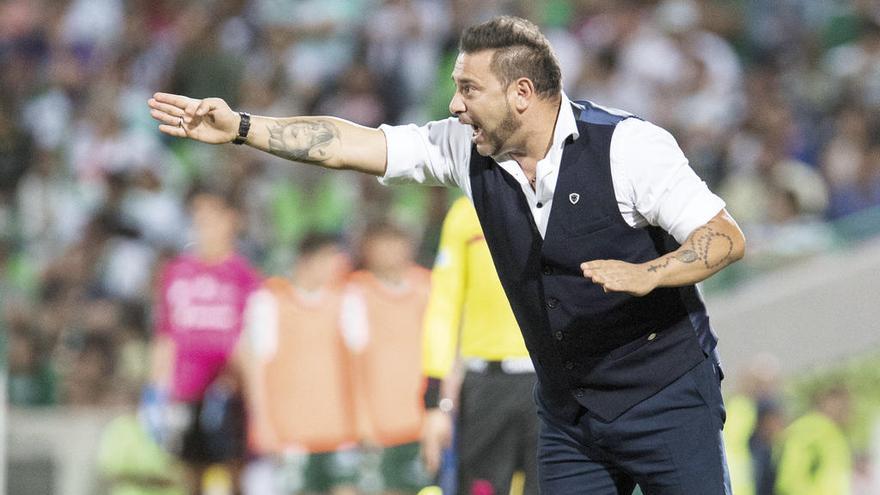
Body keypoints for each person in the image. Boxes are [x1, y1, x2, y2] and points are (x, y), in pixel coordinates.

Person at [147, 15, 746, 494]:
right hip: (569, 417)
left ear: (521, 93)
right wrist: (244, 127)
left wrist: (650, 273)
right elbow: (353, 144)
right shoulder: (466, 149)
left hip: (665, 397)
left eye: (468, 89)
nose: (454, 105)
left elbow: (723, 235)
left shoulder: (629, 147)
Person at [420, 196, 538, 495]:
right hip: (486, 384)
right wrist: (435, 402)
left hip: (549, 380)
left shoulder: (560, 198)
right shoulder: (466, 212)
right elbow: (443, 305)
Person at [149, 184, 261, 495]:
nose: (202, 224)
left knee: (234, 474)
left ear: (231, 219)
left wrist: (248, 393)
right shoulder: (176, 272)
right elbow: (165, 334)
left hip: (228, 395)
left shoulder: (244, 275)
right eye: (197, 216)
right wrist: (155, 391)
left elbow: (251, 340)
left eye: (210, 216)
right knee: (189, 475)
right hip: (185, 393)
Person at [235, 232, 360, 495]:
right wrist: (263, 423)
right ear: (306, 261)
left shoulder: (346, 300)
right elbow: (254, 365)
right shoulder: (270, 302)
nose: (335, 268)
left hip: (340, 428)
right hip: (291, 432)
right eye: (327, 260)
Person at [340, 222, 432, 494]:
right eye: (382, 245)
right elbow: (351, 361)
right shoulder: (356, 292)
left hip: (424, 417)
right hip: (379, 422)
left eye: (396, 243)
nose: (390, 252)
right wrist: (362, 418)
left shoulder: (428, 286)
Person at [774, 385, 853, 495]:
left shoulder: (833, 432)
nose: (845, 409)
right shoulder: (810, 428)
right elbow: (790, 478)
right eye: (840, 404)